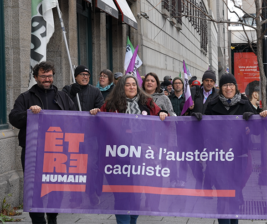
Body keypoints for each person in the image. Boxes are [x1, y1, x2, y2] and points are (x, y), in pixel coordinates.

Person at [193, 73, 267, 224]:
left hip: (239, 157)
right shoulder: (212, 104)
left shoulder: (244, 103)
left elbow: (257, 131)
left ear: (235, 87)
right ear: (220, 88)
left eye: (231, 85)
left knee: (234, 194)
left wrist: (253, 119)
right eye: (225, 85)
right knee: (223, 194)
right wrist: (197, 119)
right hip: (219, 156)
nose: (228, 88)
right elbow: (204, 129)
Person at [89, 75, 168, 224]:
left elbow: (161, 113)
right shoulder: (111, 104)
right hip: (117, 157)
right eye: (127, 85)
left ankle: (132, 221)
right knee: (121, 194)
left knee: (136, 195)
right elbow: (99, 122)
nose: (132, 87)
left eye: (134, 84)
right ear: (121, 87)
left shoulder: (147, 102)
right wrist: (95, 113)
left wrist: (163, 113)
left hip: (140, 156)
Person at [9, 61, 75, 224]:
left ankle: (52, 218)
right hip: (33, 151)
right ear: (36, 77)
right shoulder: (25, 97)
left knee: (56, 187)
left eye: (49, 76)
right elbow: (13, 119)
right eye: (43, 76)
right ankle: (38, 221)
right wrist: (29, 113)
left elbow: (75, 120)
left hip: (57, 151)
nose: (47, 79)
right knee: (34, 188)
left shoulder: (63, 97)